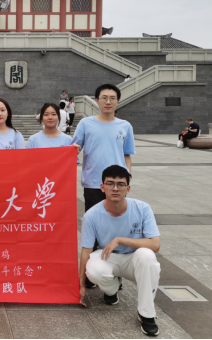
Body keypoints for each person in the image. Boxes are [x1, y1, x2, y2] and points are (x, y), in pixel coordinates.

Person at [80, 165, 161, 337]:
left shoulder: (142, 208)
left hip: (134, 258)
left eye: (120, 184)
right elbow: (86, 251)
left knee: (147, 256)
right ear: (102, 187)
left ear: (128, 188)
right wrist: (81, 286)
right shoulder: (92, 215)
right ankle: (112, 290)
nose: (115, 188)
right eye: (110, 183)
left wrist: (119, 240)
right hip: (108, 257)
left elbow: (155, 245)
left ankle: (147, 314)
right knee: (93, 269)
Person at [72, 83, 136, 287]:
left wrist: (127, 177)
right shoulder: (86, 124)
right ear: (97, 101)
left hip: (117, 185)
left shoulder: (125, 126)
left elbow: (127, 154)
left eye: (112, 98)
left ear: (118, 101)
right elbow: (73, 148)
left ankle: (115, 272)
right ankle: (92, 272)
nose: (108, 101)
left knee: (116, 227)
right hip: (93, 183)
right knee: (93, 227)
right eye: (104, 98)